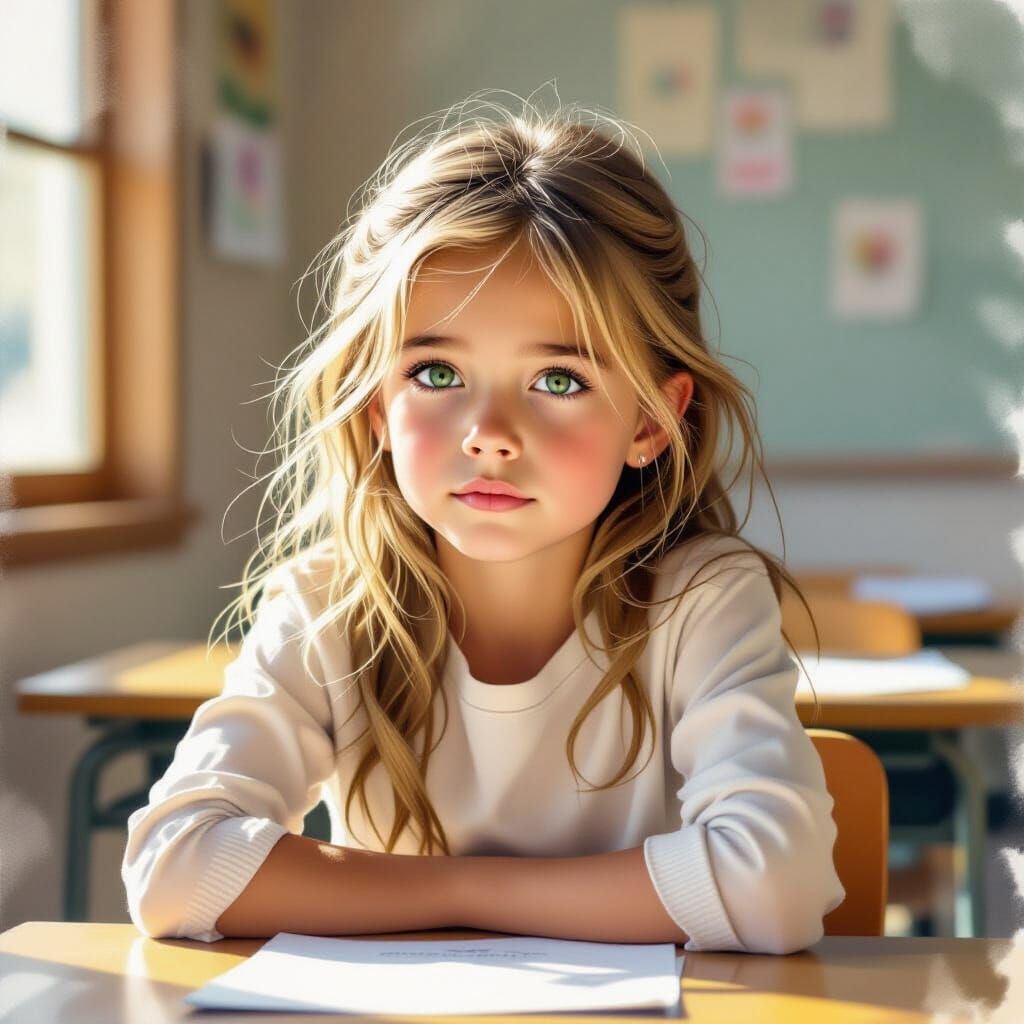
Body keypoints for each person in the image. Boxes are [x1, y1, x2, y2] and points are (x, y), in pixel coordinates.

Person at [121, 90, 840, 955]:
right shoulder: (325, 607)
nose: (490, 436)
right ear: (374, 406)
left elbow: (776, 886)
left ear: (651, 420)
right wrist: (476, 891)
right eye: (434, 373)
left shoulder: (701, 601)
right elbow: (172, 867)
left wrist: (458, 889)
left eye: (559, 381)